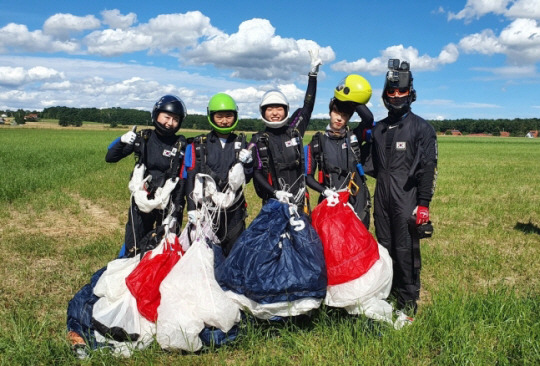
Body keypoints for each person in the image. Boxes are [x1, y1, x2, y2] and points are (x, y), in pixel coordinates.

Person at [365, 59, 438, 324]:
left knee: (405, 248)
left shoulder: (422, 128)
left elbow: (428, 168)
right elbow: (368, 165)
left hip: (406, 197)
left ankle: (408, 299)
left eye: (401, 92)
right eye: (391, 92)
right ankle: (388, 292)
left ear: (410, 94)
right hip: (382, 195)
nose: (396, 96)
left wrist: (424, 204)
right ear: (385, 95)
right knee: (384, 247)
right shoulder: (379, 129)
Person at [105, 95, 188, 256]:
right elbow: (111, 158)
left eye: (175, 119)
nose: (170, 123)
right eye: (167, 117)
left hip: (169, 202)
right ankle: (128, 268)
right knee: (134, 242)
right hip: (142, 198)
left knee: (166, 245)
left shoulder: (182, 144)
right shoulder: (143, 138)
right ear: (156, 115)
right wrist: (121, 140)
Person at [251, 49, 322, 214]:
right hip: (273, 202)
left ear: (286, 111)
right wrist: (274, 193)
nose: (275, 113)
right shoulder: (258, 140)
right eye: (270, 109)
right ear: (263, 112)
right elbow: (257, 173)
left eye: (279, 108)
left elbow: (307, 106)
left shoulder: (294, 131)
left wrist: (313, 75)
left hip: (299, 202)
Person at [183, 93, 253, 256]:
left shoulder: (242, 143)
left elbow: (248, 179)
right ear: (211, 117)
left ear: (235, 116)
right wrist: (191, 208)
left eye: (228, 116)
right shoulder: (199, 144)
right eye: (219, 116)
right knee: (207, 254)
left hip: (234, 210)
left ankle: (230, 281)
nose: (224, 121)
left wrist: (249, 163)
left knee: (234, 253)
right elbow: (191, 177)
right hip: (207, 210)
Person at [306, 74, 374, 229]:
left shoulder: (353, 136)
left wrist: (349, 99)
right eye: (337, 113)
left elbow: (369, 119)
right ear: (330, 112)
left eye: (344, 115)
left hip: (357, 201)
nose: (339, 118)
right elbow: (308, 177)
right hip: (331, 201)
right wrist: (324, 192)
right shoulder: (318, 142)